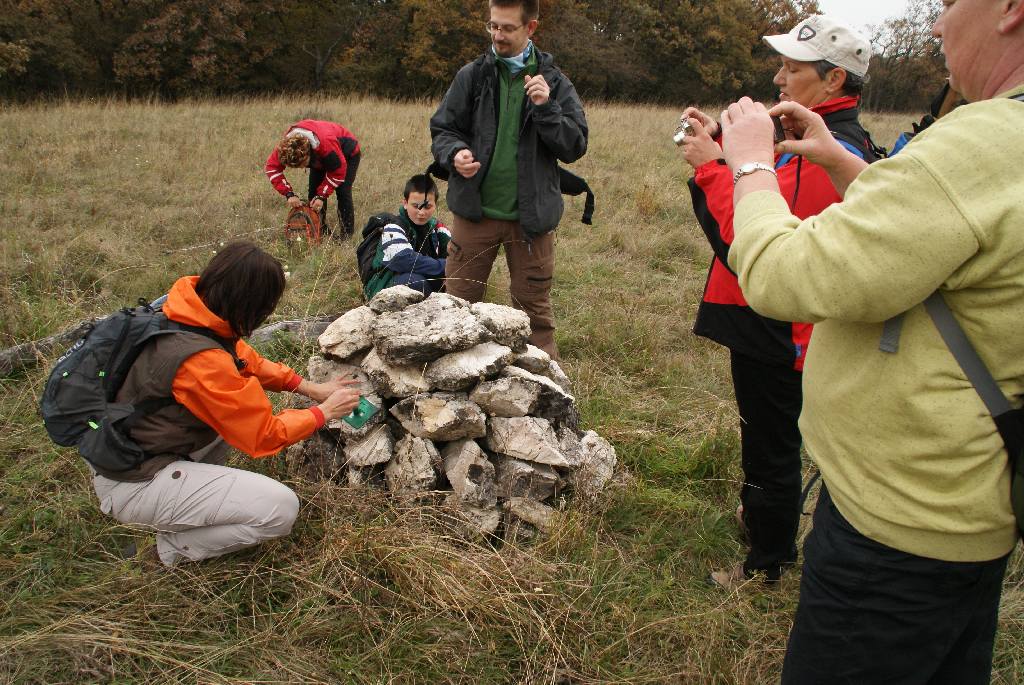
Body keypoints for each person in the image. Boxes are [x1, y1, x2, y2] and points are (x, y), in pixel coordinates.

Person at [718, 0, 1024, 680]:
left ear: (1009, 10)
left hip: (896, 534)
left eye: (949, 4)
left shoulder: (980, 143)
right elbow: (944, 234)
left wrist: (744, 164)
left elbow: (781, 274)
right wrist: (838, 159)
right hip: (969, 508)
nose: (939, 25)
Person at [678, 14, 878, 589]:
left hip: (778, 328)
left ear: (835, 80)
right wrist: (724, 150)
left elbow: (753, 245)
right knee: (766, 437)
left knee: (771, 444)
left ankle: (766, 565)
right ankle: (764, 523)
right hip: (770, 322)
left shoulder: (826, 152)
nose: (779, 76)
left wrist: (711, 169)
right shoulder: (807, 140)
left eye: (793, 67)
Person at [91, 242, 361, 567]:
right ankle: (166, 552)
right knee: (279, 510)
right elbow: (263, 436)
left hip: (128, 450)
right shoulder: (201, 361)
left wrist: (311, 388)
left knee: (223, 427)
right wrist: (323, 413)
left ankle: (191, 501)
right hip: (136, 480)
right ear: (249, 305)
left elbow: (247, 361)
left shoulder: (188, 311)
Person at [429, 0, 588, 358]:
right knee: (455, 307)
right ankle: (446, 386)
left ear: (531, 28)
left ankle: (547, 393)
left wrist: (547, 108)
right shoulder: (472, 75)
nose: (498, 36)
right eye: (493, 26)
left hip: (530, 222)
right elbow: (443, 128)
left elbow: (575, 145)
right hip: (475, 213)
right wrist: (454, 153)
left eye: (507, 28)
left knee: (534, 315)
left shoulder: (555, 82)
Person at [264, 119, 361, 238]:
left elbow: (338, 173)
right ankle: (320, 229)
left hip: (347, 152)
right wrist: (289, 194)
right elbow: (272, 168)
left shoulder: (326, 145)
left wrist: (322, 195)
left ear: (309, 153)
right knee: (314, 192)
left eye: (303, 165)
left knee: (343, 191)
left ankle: (346, 235)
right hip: (319, 155)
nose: (302, 169)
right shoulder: (286, 146)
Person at [363, 173, 451, 300]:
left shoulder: (439, 229)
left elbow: (459, 256)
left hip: (421, 278)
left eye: (427, 206)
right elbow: (402, 260)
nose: (421, 212)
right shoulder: (393, 226)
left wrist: (450, 271)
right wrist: (446, 266)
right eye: (416, 206)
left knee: (457, 281)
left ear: (435, 205)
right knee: (415, 282)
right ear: (405, 203)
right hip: (385, 285)